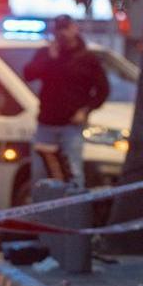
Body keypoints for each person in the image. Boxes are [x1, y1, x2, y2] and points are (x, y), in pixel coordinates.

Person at [23, 15, 110, 185]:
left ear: (74, 29)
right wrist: (50, 58)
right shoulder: (46, 54)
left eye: (66, 28)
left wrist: (85, 110)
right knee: (41, 174)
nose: (62, 34)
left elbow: (103, 90)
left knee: (73, 172)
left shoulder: (87, 58)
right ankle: (42, 209)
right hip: (46, 124)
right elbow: (29, 74)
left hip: (71, 126)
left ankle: (72, 210)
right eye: (59, 29)